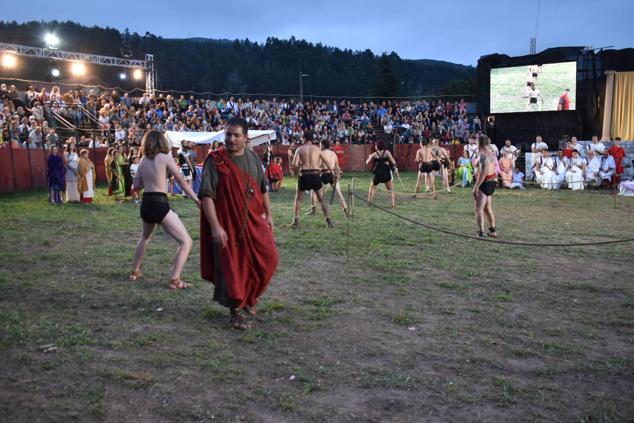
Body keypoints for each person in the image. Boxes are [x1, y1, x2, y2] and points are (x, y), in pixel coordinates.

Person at [199, 117, 278, 330]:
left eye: (236, 135)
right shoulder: (215, 160)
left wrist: (269, 215)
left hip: (253, 221)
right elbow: (207, 195)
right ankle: (235, 311)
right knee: (233, 268)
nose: (231, 139)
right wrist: (215, 226)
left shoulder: (252, 158)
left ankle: (250, 296)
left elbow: (263, 188)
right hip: (228, 224)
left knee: (269, 259)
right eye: (228, 134)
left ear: (246, 138)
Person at [130, 130, 200, 289]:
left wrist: (149, 179)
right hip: (159, 203)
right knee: (186, 242)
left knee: (145, 237)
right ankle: (175, 280)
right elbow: (181, 181)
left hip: (146, 203)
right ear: (162, 142)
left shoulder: (142, 160)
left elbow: (136, 186)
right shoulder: (166, 157)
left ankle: (135, 271)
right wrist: (196, 199)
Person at [291, 131, 335, 228]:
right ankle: (328, 221)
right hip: (315, 175)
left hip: (305, 175)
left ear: (305, 138)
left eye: (302, 138)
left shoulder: (300, 149)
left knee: (298, 199)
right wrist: (332, 172)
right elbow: (327, 162)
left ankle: (296, 220)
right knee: (322, 199)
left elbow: (294, 165)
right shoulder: (318, 149)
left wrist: (299, 167)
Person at [309, 139, 348, 216]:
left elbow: (318, 166)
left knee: (313, 191)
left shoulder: (321, 153)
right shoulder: (333, 153)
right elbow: (337, 166)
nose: (319, 146)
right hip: (332, 175)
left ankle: (313, 209)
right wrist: (338, 174)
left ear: (323, 145)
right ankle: (346, 211)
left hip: (324, 174)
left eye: (320, 145)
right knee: (339, 194)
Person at [472, 135, 498, 238]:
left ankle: (481, 232)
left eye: (477, 143)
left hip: (485, 182)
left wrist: (476, 187)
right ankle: (493, 231)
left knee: (478, 209)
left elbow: (483, 173)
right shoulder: (491, 153)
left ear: (480, 144)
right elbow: (479, 164)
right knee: (487, 208)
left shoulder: (483, 155)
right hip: (492, 182)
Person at [366, 141, 397, 207]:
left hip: (377, 173)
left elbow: (367, 162)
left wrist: (369, 157)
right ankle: (393, 203)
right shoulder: (387, 152)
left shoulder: (374, 154)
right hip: (386, 172)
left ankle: (369, 202)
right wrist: (395, 168)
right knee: (391, 189)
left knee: (372, 188)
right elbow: (393, 162)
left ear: (377, 147)